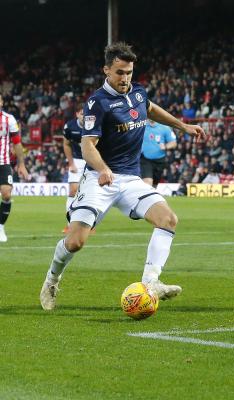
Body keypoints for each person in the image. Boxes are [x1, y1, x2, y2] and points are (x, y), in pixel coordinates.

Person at [40, 42, 205, 310]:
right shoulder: (97, 103)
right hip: (98, 179)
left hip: (130, 179)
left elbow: (150, 109)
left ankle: (151, 283)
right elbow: (87, 145)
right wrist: (104, 169)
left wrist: (182, 126)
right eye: (119, 72)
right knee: (75, 242)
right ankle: (51, 279)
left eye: (128, 72)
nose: (125, 78)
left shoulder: (137, 93)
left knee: (168, 219)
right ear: (106, 70)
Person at [0, 94, 29, 242]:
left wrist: (21, 164)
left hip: (3, 163)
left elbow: (17, 142)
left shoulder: (8, 119)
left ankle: (0, 227)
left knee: (6, 194)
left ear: (1, 102)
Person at [62, 105, 85, 233]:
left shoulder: (93, 125)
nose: (84, 116)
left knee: (91, 193)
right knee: (73, 191)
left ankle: (88, 225)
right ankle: (69, 224)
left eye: (86, 114)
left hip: (92, 161)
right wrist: (71, 163)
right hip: (77, 160)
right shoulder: (70, 126)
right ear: (77, 114)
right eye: (82, 114)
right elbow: (66, 144)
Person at [141, 119, 177, 187]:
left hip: (160, 160)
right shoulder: (142, 126)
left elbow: (174, 143)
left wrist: (166, 146)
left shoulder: (165, 128)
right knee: (148, 181)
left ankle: (150, 196)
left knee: (154, 184)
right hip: (145, 159)